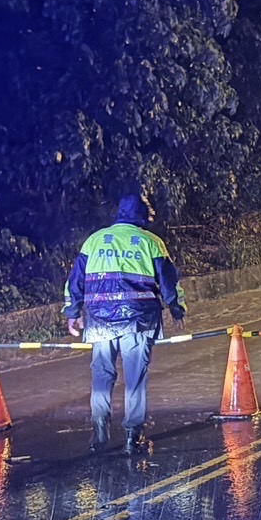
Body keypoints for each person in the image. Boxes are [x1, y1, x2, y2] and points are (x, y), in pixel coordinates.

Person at [63, 193, 186, 454]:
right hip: (139, 320)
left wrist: (73, 312)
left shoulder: (94, 241)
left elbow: (75, 281)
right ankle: (133, 437)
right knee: (135, 378)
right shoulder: (151, 243)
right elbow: (168, 282)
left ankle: (99, 430)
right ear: (142, 216)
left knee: (101, 375)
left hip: (99, 322)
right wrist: (176, 308)